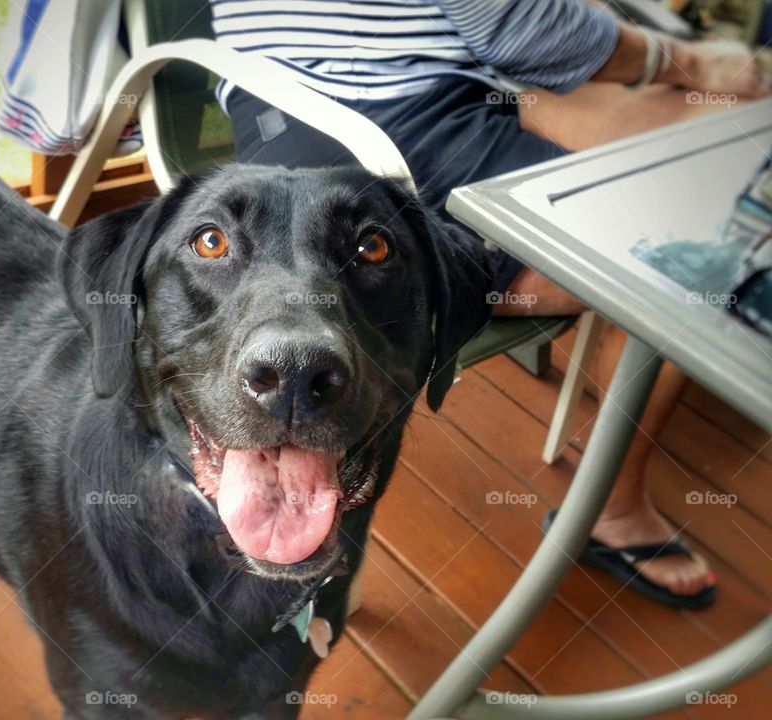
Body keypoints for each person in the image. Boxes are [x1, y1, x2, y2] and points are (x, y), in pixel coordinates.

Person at [210, 0, 772, 607]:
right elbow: (521, 31)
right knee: (704, 241)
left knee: (735, 129)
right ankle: (612, 508)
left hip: (337, 86)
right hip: (381, 122)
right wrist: (683, 58)